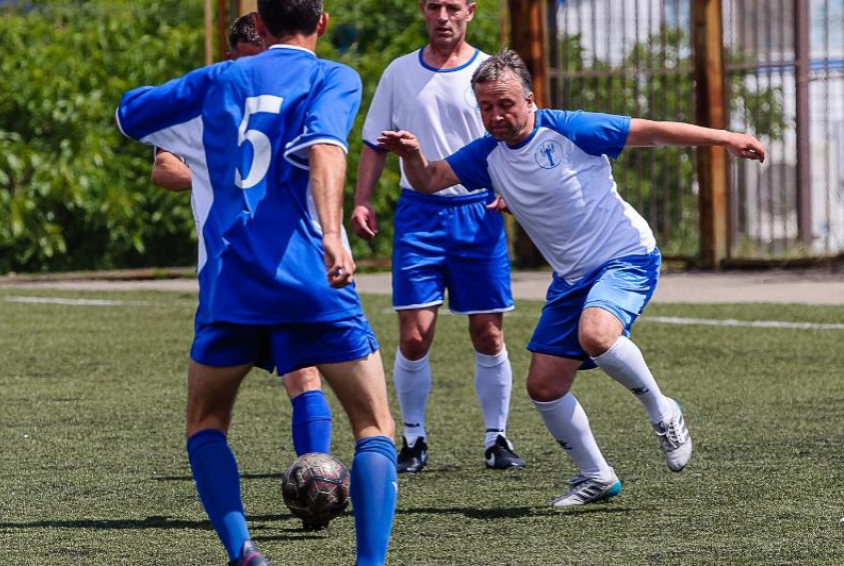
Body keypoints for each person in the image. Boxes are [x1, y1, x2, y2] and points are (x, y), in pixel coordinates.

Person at [377, 49, 766, 508]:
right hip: (571, 277)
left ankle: (663, 410)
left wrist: (725, 138)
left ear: (530, 100)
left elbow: (651, 132)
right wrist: (413, 154)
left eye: (506, 104)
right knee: (544, 386)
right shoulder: (487, 155)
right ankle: (597, 476)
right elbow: (429, 180)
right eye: (485, 107)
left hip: (625, 255)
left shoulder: (568, 128)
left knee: (597, 333)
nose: (496, 116)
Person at [116, 1, 397, 564]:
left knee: (206, 423)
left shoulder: (222, 75)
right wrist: (332, 237)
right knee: (373, 426)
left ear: (261, 27)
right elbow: (323, 147)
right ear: (321, 23)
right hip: (310, 277)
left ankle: (243, 551)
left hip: (232, 280)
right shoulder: (333, 75)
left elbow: (130, 113)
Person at [351, 0, 524, 473]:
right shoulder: (399, 72)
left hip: (478, 212)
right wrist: (362, 200)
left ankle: (497, 439)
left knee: (488, 333)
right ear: (423, 12)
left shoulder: (491, 71)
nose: (442, 16)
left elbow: (517, 136)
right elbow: (373, 143)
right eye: (433, 6)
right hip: (419, 216)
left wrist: (513, 192)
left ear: (470, 10)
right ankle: (412, 439)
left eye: (452, 6)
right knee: (414, 335)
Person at [151, 12, 333, 461]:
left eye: (263, 58)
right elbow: (163, 167)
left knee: (304, 374)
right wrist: (221, 173)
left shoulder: (297, 94)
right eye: (247, 59)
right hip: (225, 264)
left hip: (283, 258)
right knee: (209, 404)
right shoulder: (211, 96)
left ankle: (315, 480)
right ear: (231, 55)